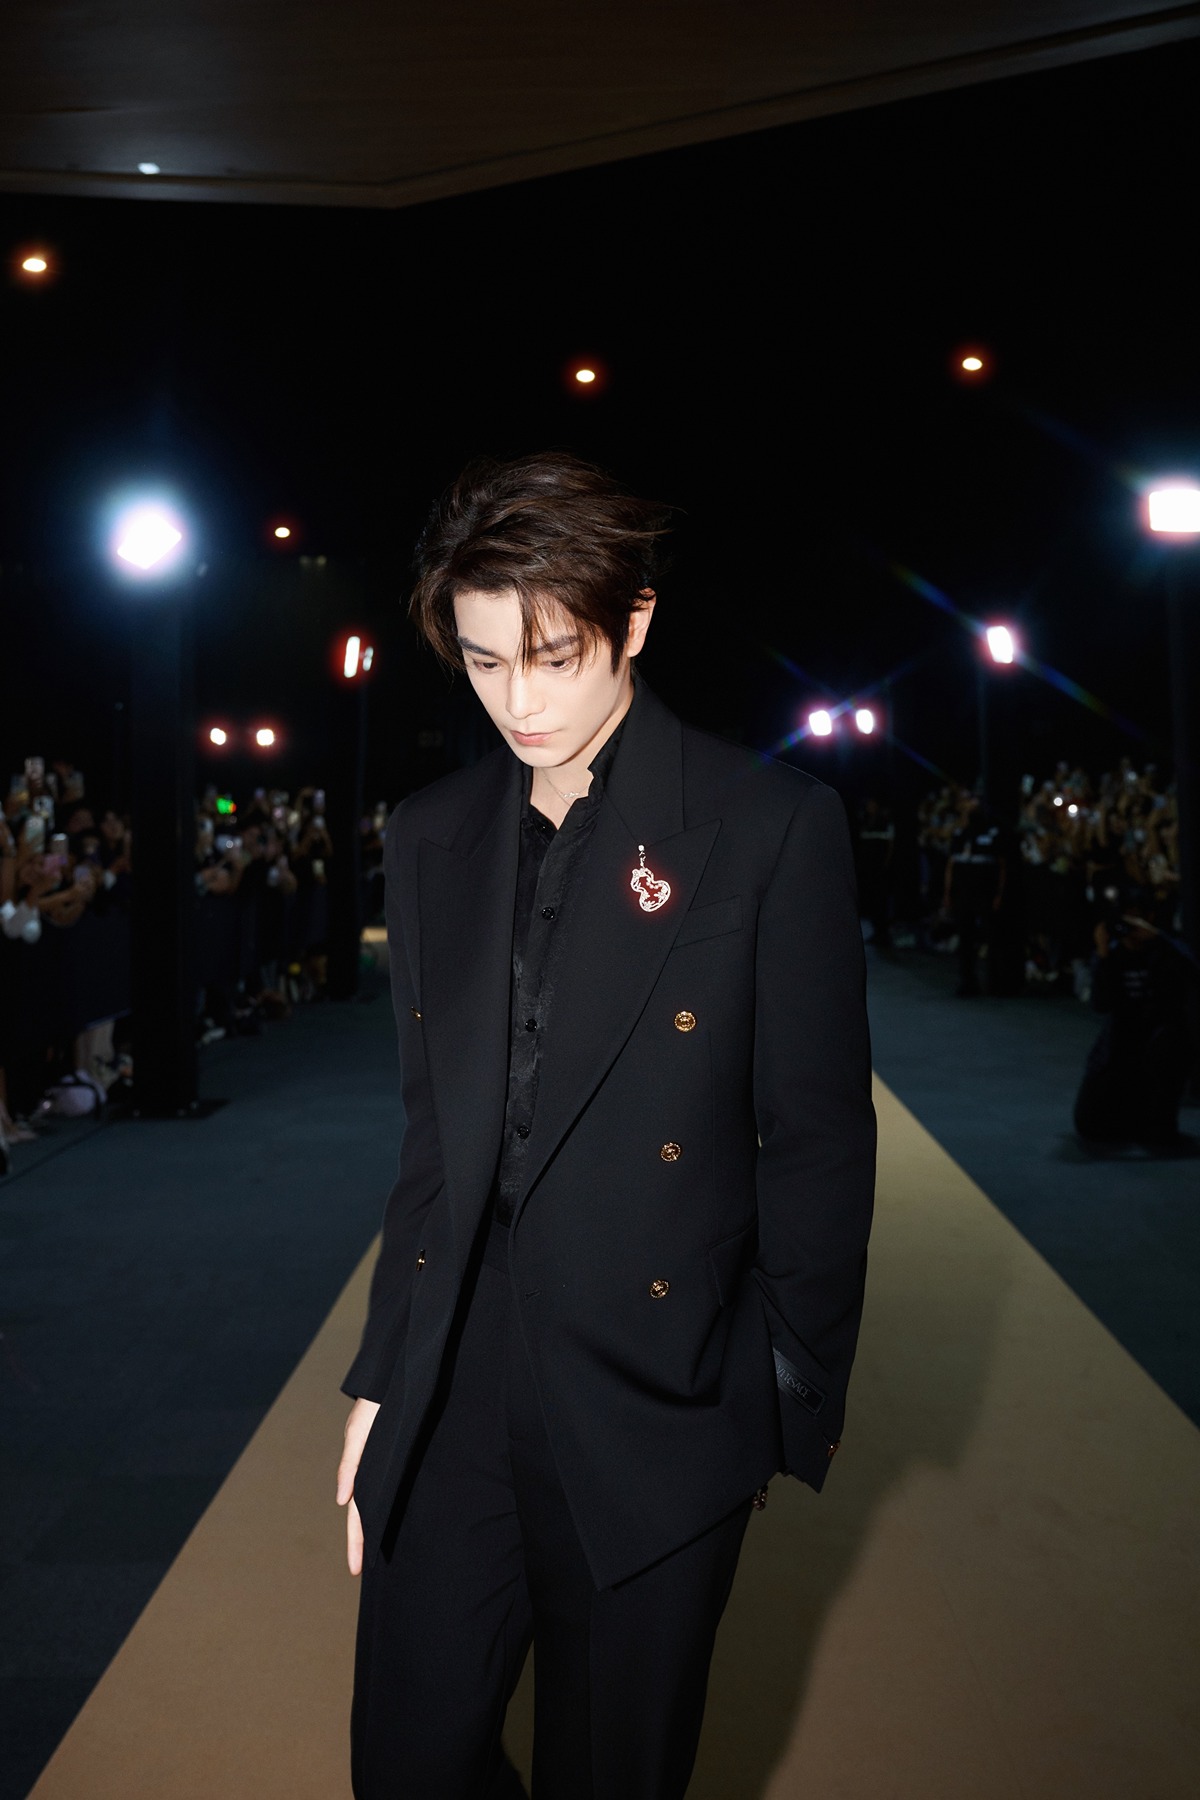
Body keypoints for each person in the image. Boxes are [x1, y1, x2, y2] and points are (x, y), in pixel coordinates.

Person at [336, 452, 877, 1800]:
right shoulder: (432, 835)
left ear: (633, 621)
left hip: (656, 1385)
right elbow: (433, 1142)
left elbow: (819, 1141)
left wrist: (771, 1394)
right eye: (483, 662)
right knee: (405, 1762)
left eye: (553, 657)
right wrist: (382, 1376)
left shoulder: (766, 827)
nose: (519, 701)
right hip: (458, 1369)